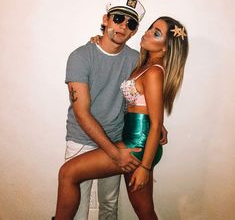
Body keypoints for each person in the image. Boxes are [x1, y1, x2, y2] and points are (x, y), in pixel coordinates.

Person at [54, 15, 188, 220]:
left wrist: (144, 166)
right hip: (129, 140)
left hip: (138, 145)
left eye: (156, 33)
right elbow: (144, 107)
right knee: (144, 211)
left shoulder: (152, 71)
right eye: (151, 28)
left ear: (166, 48)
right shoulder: (140, 62)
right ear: (106, 19)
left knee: (67, 174)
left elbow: (154, 124)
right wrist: (96, 42)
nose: (148, 32)